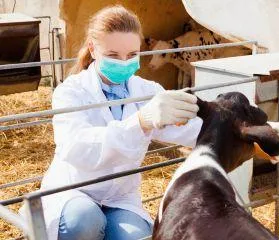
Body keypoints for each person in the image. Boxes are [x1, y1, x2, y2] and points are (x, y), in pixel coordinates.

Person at [20, 5, 203, 240]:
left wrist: (245, 133)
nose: (124, 63)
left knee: (138, 237)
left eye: (132, 55)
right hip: (74, 191)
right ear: (93, 49)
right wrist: (141, 122)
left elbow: (192, 129)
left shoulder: (147, 91)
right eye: (113, 56)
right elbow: (76, 147)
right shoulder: (71, 92)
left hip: (120, 197)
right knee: (85, 222)